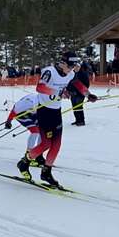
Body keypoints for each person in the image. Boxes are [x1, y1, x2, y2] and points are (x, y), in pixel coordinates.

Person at [17, 51, 98, 187]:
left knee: (57, 144)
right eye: (70, 66)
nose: (72, 70)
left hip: (56, 110)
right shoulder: (50, 72)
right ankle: (24, 163)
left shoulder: (70, 73)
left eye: (73, 67)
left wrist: (88, 94)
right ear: (63, 63)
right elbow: (40, 88)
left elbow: (78, 84)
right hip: (43, 110)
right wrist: (58, 92)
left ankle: (46, 172)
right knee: (46, 144)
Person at [4, 93, 44, 167]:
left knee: (43, 131)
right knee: (35, 132)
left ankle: (38, 155)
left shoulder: (42, 99)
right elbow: (15, 109)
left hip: (31, 112)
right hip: (20, 114)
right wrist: (9, 121)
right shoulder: (31, 103)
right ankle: (28, 155)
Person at [68, 61, 91, 126]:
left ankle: (81, 121)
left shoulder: (83, 74)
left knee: (79, 106)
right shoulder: (72, 74)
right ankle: (77, 120)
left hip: (80, 94)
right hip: (73, 93)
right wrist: (69, 90)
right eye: (74, 67)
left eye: (77, 67)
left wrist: (82, 91)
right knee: (74, 107)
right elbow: (68, 83)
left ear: (79, 67)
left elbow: (87, 84)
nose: (76, 68)